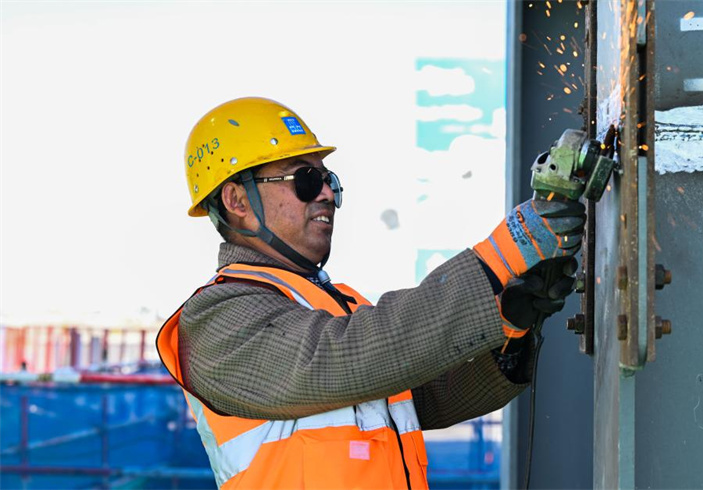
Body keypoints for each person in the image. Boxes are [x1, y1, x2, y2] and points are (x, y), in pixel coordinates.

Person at [156, 97, 585, 489]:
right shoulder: (217, 318)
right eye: (306, 180)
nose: (327, 195)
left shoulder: (337, 305)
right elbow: (340, 359)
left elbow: (429, 396)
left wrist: (510, 324)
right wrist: (502, 257)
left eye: (329, 181)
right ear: (236, 200)